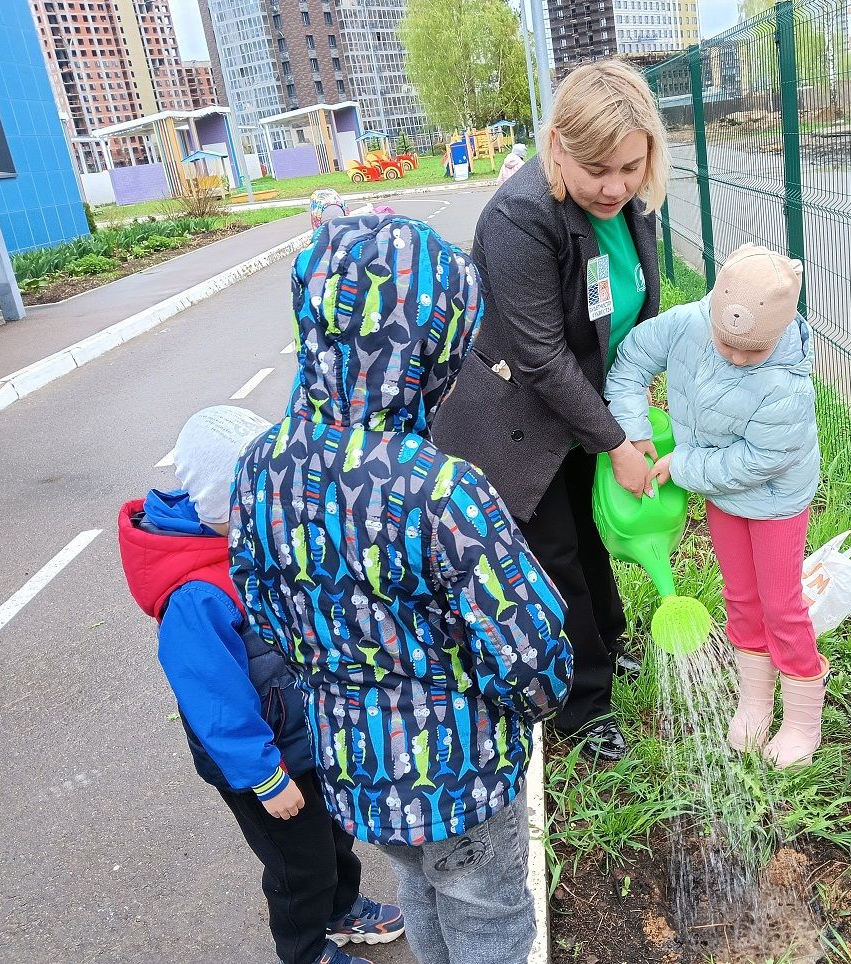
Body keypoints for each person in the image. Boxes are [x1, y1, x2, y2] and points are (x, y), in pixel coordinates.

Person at [229, 213, 573, 964]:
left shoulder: (260, 466)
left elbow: (257, 599)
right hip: (461, 772)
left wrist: (330, 669)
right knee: (488, 911)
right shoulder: (439, 489)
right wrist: (531, 705)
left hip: (355, 763)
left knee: (418, 885)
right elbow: (530, 641)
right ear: (434, 345)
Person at [432, 60, 671, 761]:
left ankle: (609, 641)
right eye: (597, 168)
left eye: (630, 166)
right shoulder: (520, 217)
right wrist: (617, 441)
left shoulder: (634, 202)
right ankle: (581, 705)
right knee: (555, 555)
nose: (615, 185)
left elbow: (628, 311)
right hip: (521, 419)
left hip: (585, 404)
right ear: (556, 145)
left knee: (591, 535)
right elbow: (540, 356)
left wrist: (632, 403)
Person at [117, 405, 405, 964]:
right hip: (262, 760)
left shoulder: (254, 541)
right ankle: (305, 950)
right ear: (223, 504)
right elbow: (215, 705)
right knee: (299, 865)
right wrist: (266, 778)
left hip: (307, 732)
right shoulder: (197, 596)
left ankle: (341, 910)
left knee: (333, 833)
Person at [605, 244, 825, 767]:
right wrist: (635, 433)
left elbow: (760, 460)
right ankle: (754, 701)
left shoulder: (785, 385)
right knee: (741, 598)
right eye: (727, 344)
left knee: (781, 605)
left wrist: (681, 466)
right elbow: (631, 362)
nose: (736, 358)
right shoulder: (686, 325)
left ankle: (801, 718)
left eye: (753, 351)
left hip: (774, 502)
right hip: (722, 497)